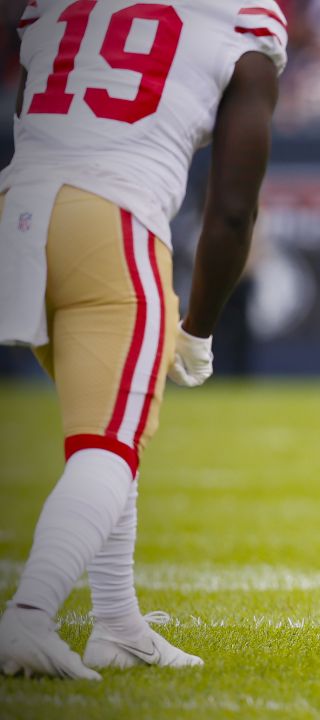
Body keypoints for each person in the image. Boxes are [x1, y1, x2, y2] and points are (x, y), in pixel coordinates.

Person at [0, 0, 286, 679]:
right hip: (111, 218)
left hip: (18, 207)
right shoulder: (243, 17)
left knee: (103, 431)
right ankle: (30, 617)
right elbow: (234, 208)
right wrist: (201, 330)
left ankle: (118, 624)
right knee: (107, 446)